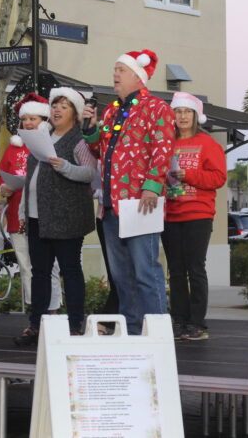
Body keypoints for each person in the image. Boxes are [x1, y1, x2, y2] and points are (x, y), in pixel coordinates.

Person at [82, 49, 176, 335]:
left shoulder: (157, 108)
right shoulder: (111, 110)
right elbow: (100, 150)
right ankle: (133, 331)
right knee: (121, 276)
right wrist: (90, 129)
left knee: (145, 272)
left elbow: (163, 149)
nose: (115, 75)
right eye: (115, 70)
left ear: (138, 76)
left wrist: (151, 187)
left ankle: (157, 330)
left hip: (140, 202)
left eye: (120, 70)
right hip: (111, 204)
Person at [14, 88, 97, 346]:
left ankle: (74, 325)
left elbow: (90, 173)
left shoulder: (79, 139)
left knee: (70, 271)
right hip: (38, 217)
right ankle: (36, 325)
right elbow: (32, 179)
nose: (57, 110)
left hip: (67, 216)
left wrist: (67, 167)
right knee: (40, 272)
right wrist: (24, 211)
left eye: (64, 105)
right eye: (55, 105)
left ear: (74, 111)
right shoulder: (42, 136)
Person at [162, 92, 226, 341]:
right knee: (176, 271)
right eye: (178, 112)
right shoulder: (166, 144)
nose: (182, 116)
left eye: (187, 112)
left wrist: (187, 175)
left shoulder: (208, 143)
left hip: (198, 213)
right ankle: (179, 319)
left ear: (196, 116)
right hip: (170, 213)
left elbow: (218, 178)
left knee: (195, 268)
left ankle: (197, 322)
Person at [0, 92, 62, 314]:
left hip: (45, 216)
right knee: (26, 266)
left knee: (48, 266)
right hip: (18, 214)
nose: (27, 123)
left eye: (33, 119)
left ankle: (51, 310)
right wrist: (4, 188)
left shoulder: (50, 147)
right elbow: (2, 176)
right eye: (25, 119)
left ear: (44, 121)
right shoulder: (13, 148)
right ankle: (35, 311)